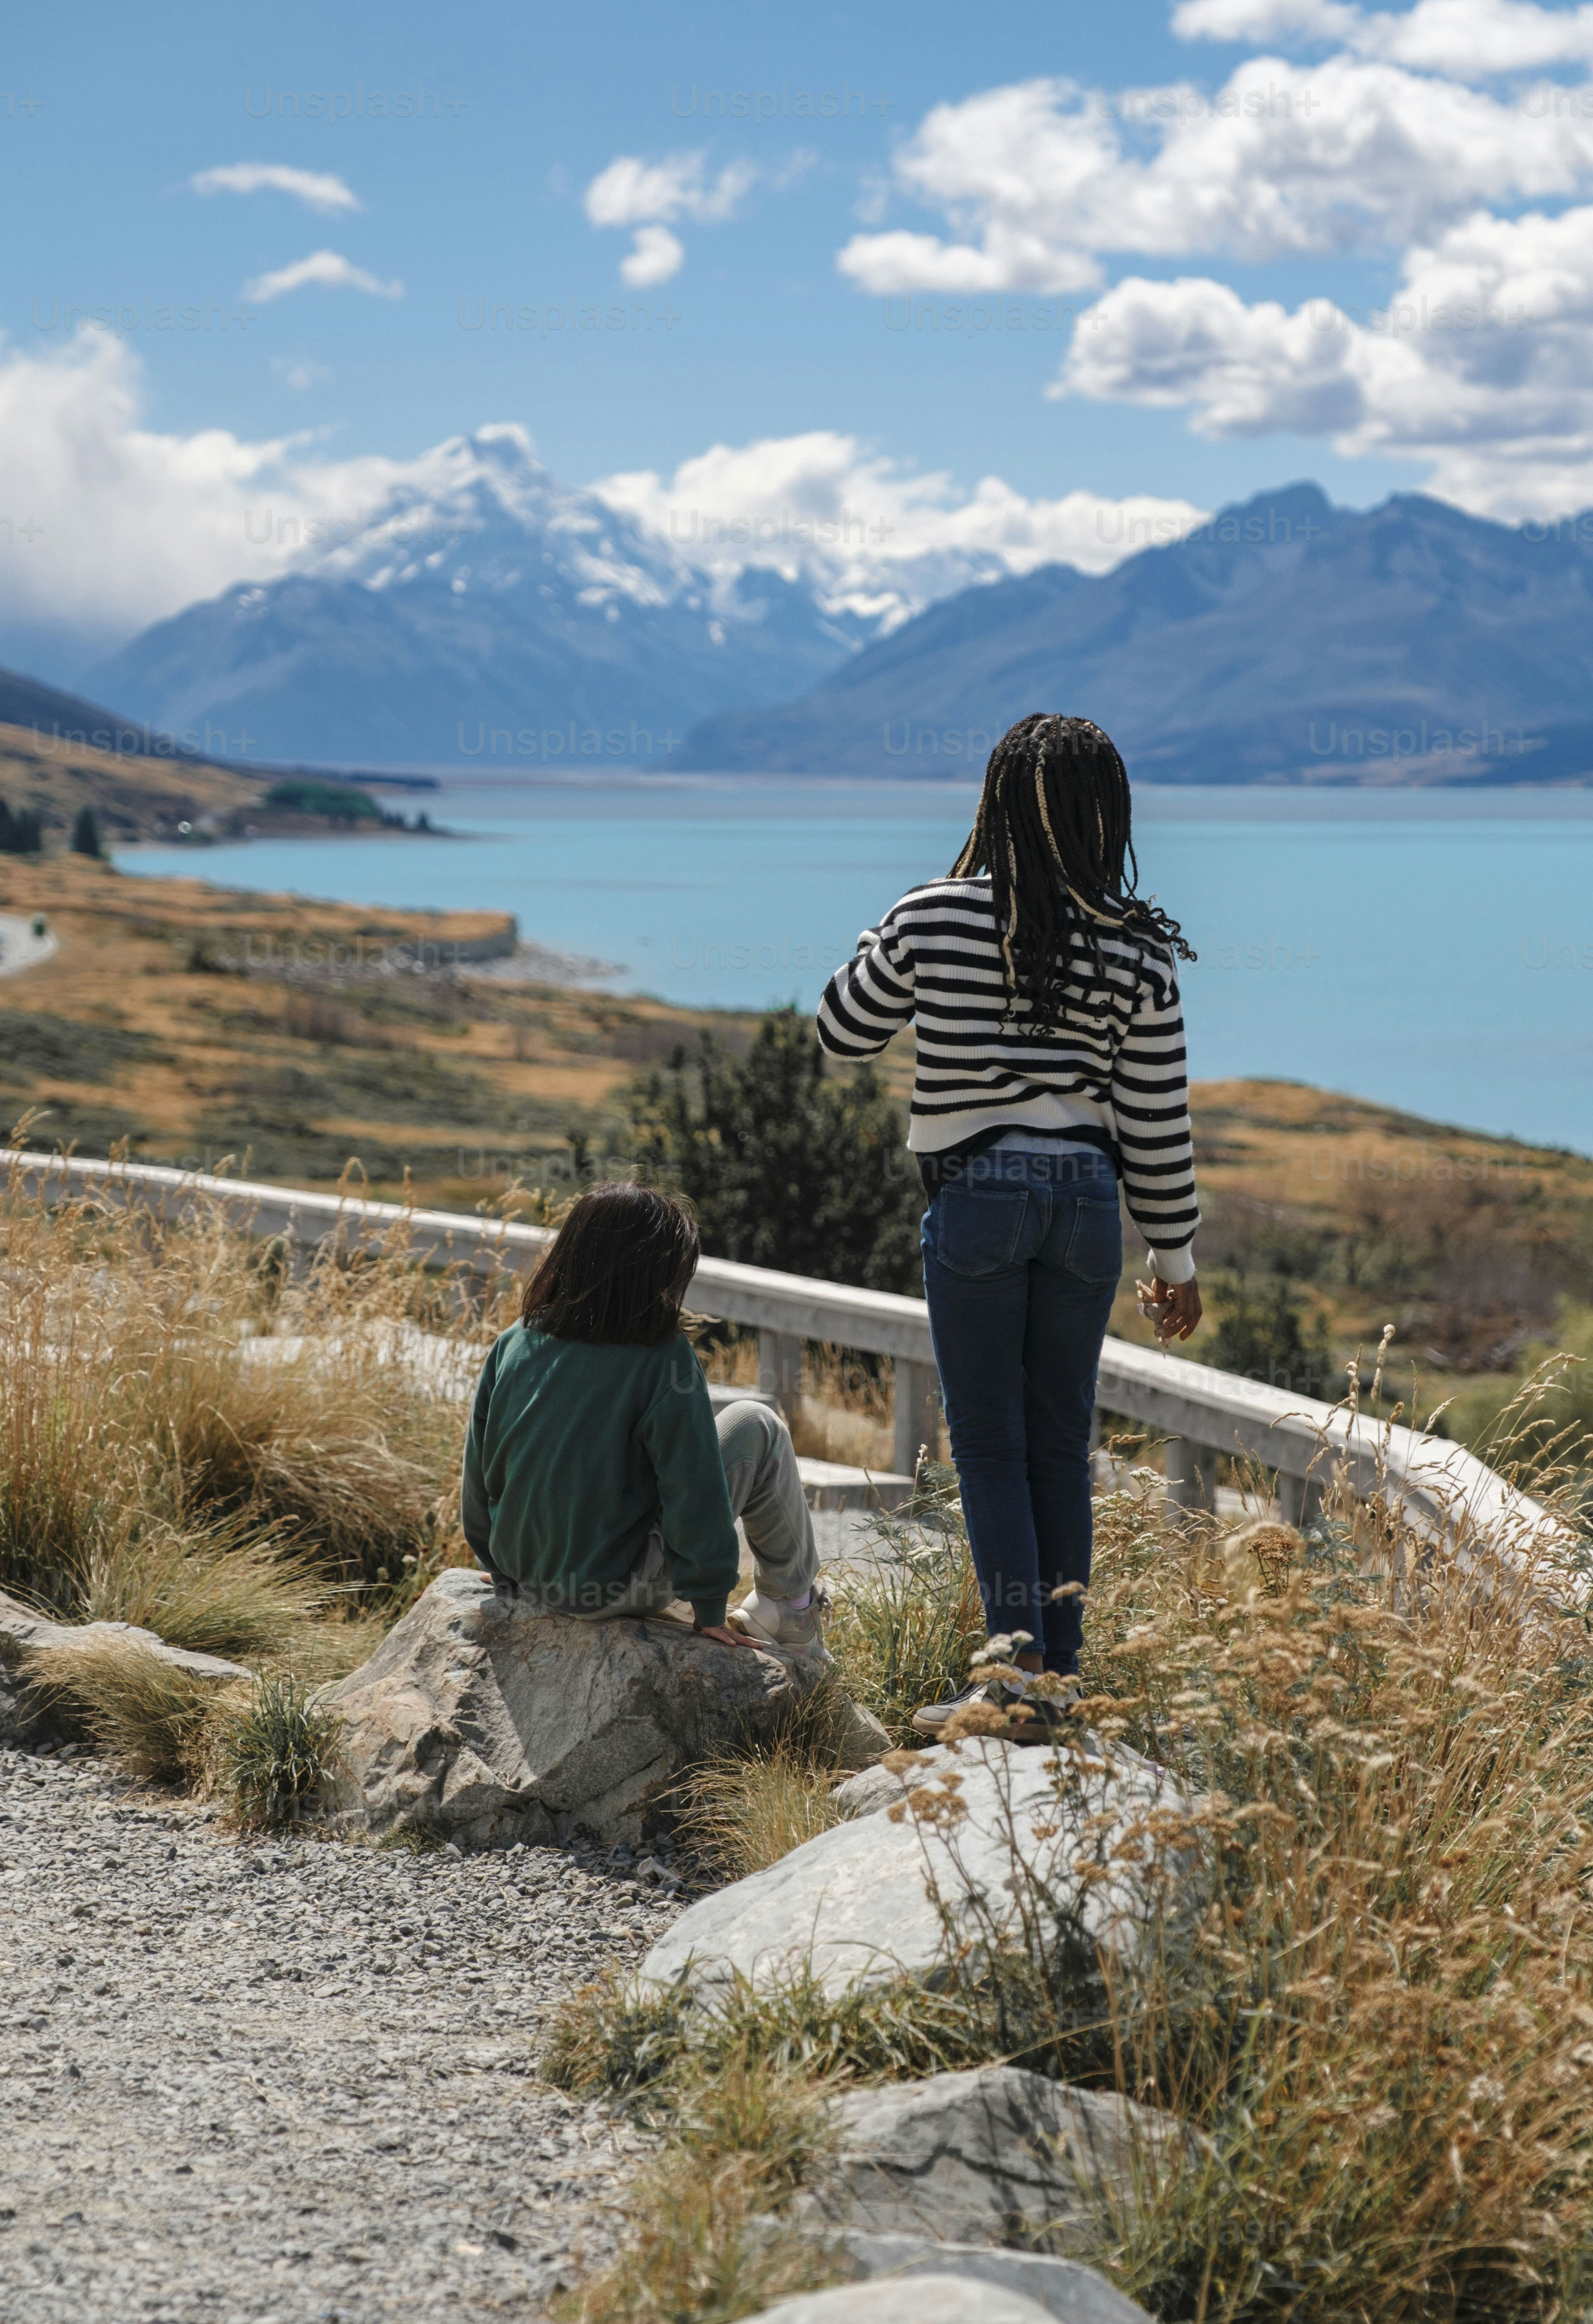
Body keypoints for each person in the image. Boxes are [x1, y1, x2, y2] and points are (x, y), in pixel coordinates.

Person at [817, 712, 1199, 1731]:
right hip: (1087, 1200)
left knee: (987, 1446)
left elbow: (842, 1030)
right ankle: (1060, 1682)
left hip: (976, 1194)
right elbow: (1158, 1117)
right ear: (1107, 816)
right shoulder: (1142, 951)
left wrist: (881, 933)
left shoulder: (933, 915)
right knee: (1059, 1444)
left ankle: (1015, 1677)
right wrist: (1178, 1257)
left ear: (993, 803)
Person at [460, 1181, 828, 1670]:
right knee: (755, 1423)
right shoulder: (662, 1358)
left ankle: (770, 1607)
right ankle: (792, 1611)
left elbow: (479, 1469)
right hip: (612, 1589)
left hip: (524, 1574)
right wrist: (710, 1607)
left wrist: (501, 1565)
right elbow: (692, 1490)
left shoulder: (516, 1339)